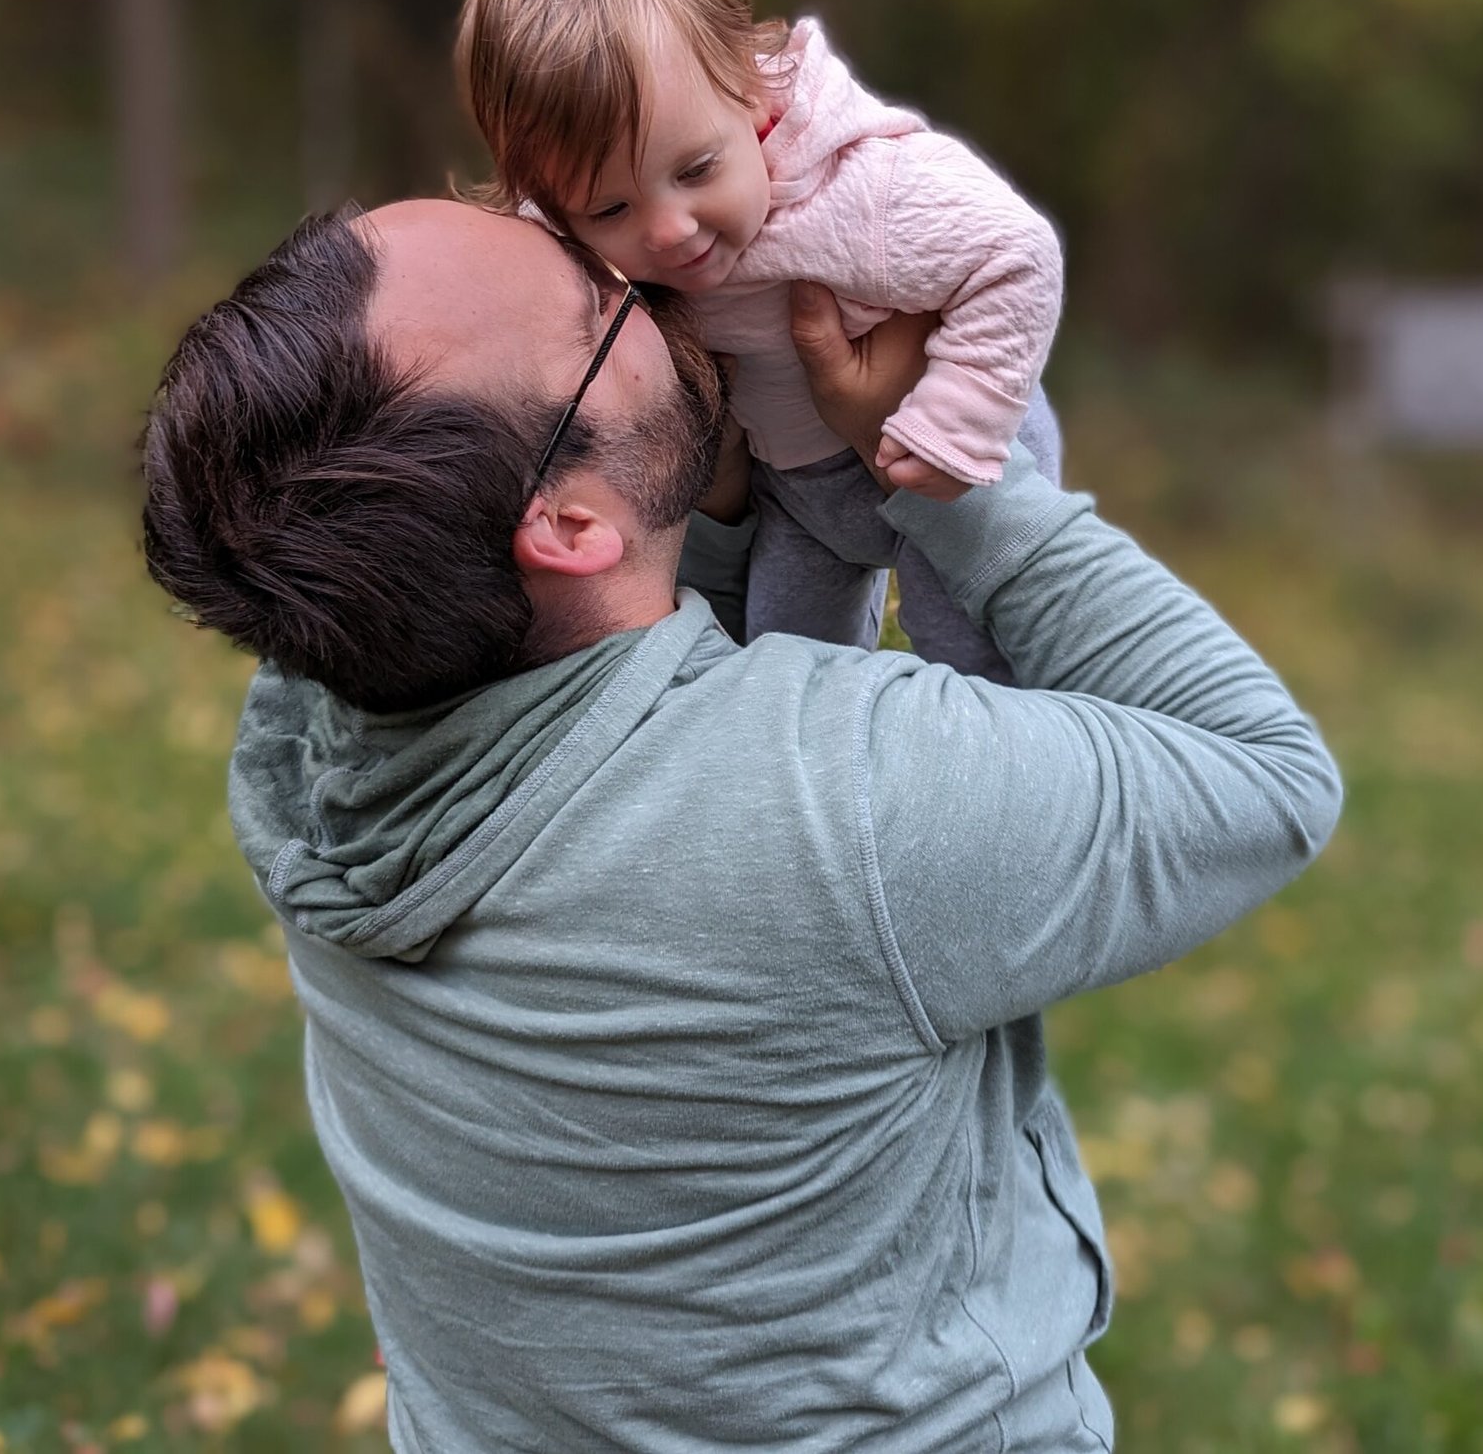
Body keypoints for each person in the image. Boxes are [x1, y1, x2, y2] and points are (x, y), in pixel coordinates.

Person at [142, 197, 1341, 1453]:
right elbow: (1259, 775)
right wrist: (938, 453)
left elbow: (616, 659)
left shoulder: (316, 737)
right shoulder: (842, 800)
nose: (648, 270)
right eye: (598, 304)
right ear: (561, 524)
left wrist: (700, 496)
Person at [456, 0, 1065, 680]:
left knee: (972, 655)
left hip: (948, 454)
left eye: (697, 170)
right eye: (612, 208)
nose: (669, 229)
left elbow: (1017, 252)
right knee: (783, 671)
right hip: (800, 499)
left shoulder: (862, 189)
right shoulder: (578, 250)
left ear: (752, 89)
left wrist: (962, 420)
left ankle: (1019, 771)